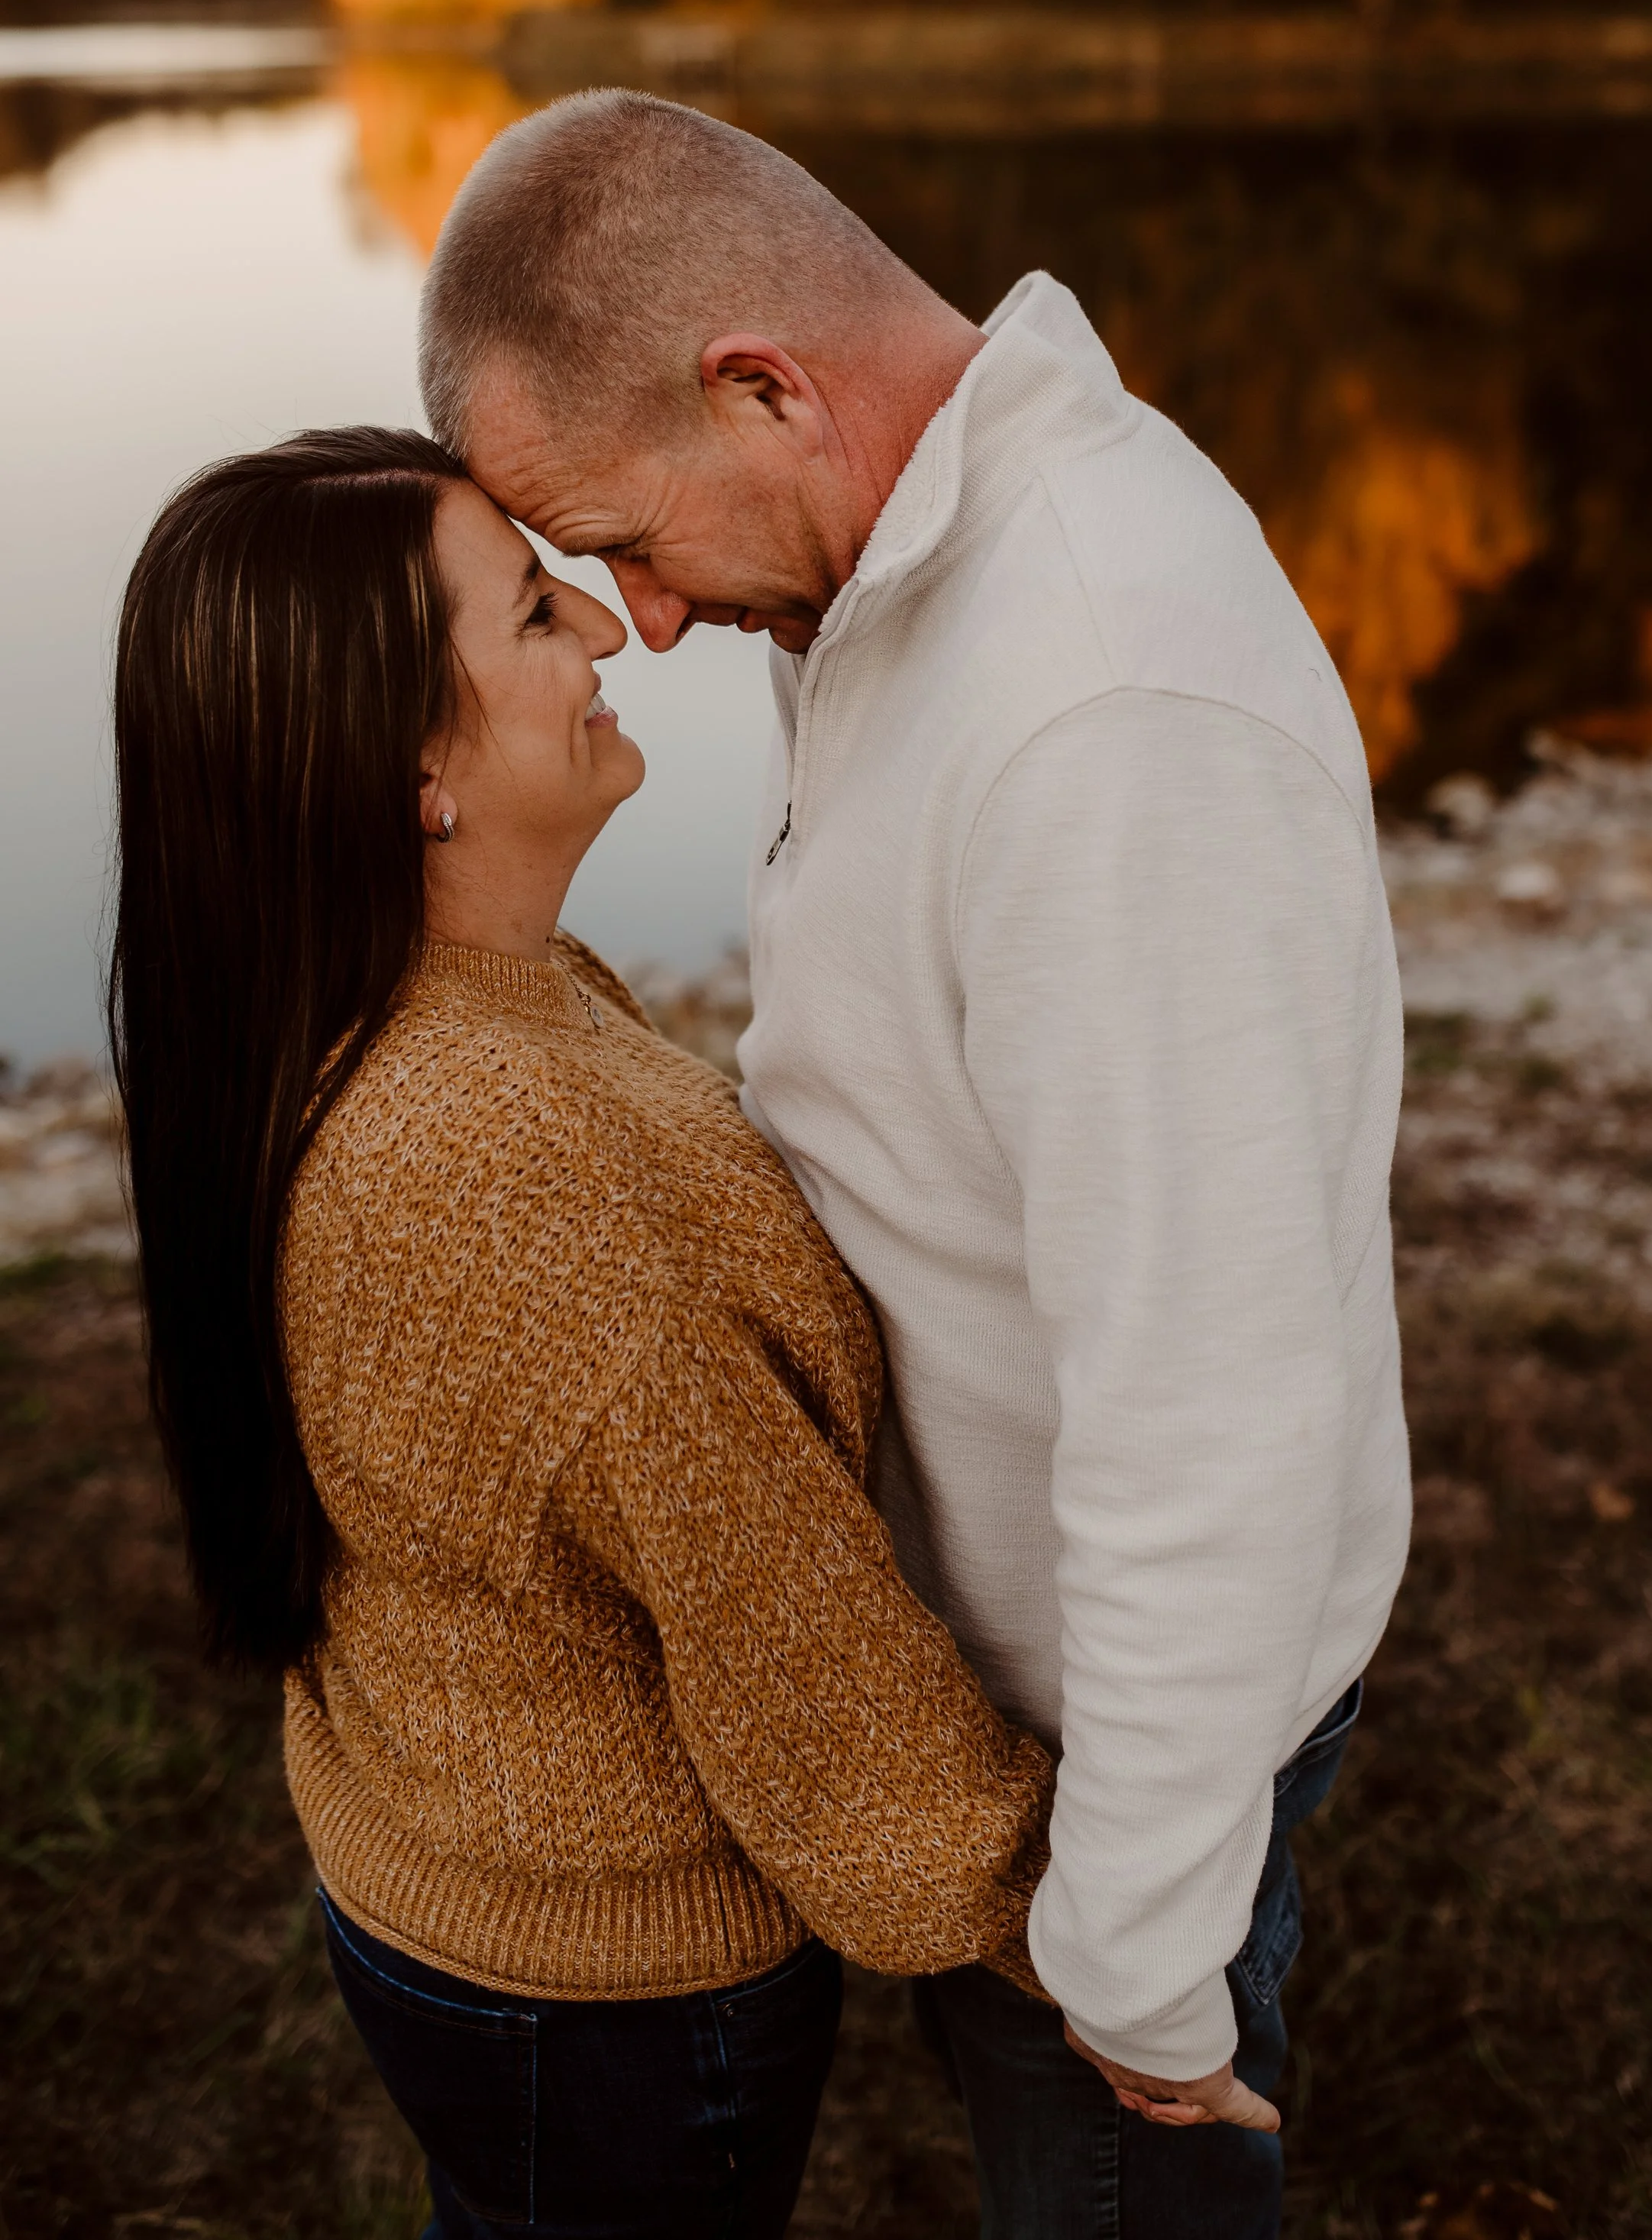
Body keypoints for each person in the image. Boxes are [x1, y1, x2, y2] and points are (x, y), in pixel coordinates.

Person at [418, 91, 1414, 2238]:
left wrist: (1140, 1960)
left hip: (1106, 1752)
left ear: (764, 385)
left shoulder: (1101, 711)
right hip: (992, 1708)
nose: (645, 627)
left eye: (631, 541)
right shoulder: (892, 562)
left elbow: (1210, 1403)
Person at [109, 426, 1056, 2240]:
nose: (612, 637)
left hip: (429, 1864)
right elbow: (813, 1684)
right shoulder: (531, 1177)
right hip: (599, 1996)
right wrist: (1093, 1935)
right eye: (539, 612)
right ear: (408, 778)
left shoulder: (357, 1006)